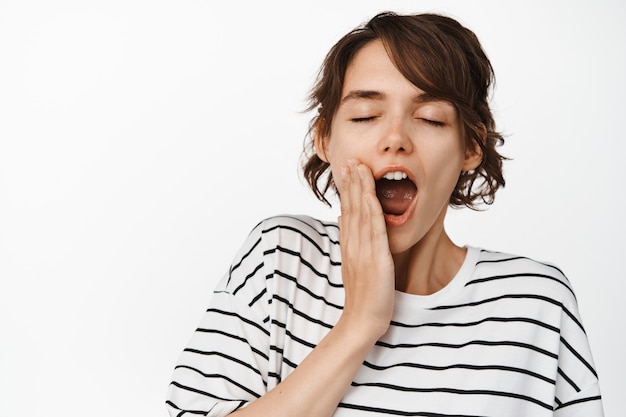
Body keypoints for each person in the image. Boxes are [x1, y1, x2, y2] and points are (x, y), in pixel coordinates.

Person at [166, 11, 603, 416]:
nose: (395, 138)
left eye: (430, 118)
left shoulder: (535, 302)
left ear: (471, 147)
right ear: (324, 139)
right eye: (365, 115)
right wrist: (360, 325)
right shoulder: (280, 259)